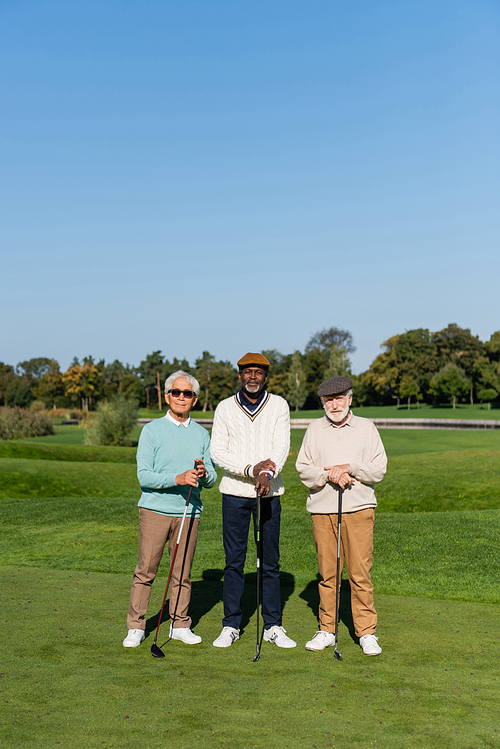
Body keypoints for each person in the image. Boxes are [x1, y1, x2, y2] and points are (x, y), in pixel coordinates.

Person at [123, 370, 217, 648]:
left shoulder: (201, 434)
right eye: (175, 392)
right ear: (166, 396)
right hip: (154, 511)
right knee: (146, 570)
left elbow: (212, 477)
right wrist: (176, 478)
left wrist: (204, 473)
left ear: (195, 399)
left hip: (189, 512)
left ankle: (179, 624)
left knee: (182, 572)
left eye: (187, 393)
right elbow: (144, 476)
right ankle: (136, 626)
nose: (180, 397)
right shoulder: (151, 430)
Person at [295, 376, 387, 656]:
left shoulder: (366, 428)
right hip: (323, 510)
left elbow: (379, 469)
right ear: (322, 402)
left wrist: (350, 467)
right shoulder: (313, 429)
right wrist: (329, 474)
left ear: (350, 399)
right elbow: (303, 469)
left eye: (339, 398)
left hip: (359, 509)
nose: (334, 405)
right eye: (328, 400)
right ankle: (327, 629)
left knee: (360, 573)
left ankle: (366, 632)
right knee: (328, 573)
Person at [210, 352, 296, 649]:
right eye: (247, 372)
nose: (253, 377)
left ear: (266, 376)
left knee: (269, 562)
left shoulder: (279, 405)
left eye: (258, 372)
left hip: (269, 494)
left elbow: (281, 447)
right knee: (234, 562)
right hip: (234, 494)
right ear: (240, 376)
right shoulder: (224, 408)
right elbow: (218, 452)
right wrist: (251, 470)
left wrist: (268, 473)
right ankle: (231, 624)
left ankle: (273, 625)